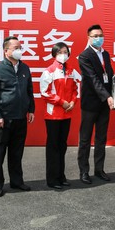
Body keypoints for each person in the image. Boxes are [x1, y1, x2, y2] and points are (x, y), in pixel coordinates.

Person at [0, 36, 35, 197]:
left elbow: (29, 90)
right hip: (3, 119)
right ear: (6, 51)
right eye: (16, 48)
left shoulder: (24, 68)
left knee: (17, 152)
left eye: (20, 47)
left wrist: (31, 109)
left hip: (20, 117)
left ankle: (17, 181)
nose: (19, 50)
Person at [40, 42, 80, 190]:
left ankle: (61, 176)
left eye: (65, 52)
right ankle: (52, 179)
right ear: (54, 54)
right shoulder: (49, 71)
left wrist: (73, 101)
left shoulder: (71, 70)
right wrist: (61, 102)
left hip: (66, 113)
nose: (63, 55)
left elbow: (76, 88)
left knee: (62, 146)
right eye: (60, 52)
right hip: (53, 115)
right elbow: (45, 92)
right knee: (53, 147)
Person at [77, 24, 114, 184]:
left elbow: (108, 75)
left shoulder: (105, 54)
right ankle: (84, 172)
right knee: (85, 140)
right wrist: (107, 96)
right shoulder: (84, 56)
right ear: (89, 38)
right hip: (90, 104)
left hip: (104, 104)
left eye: (100, 35)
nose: (98, 38)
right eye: (95, 36)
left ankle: (99, 170)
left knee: (101, 138)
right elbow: (93, 79)